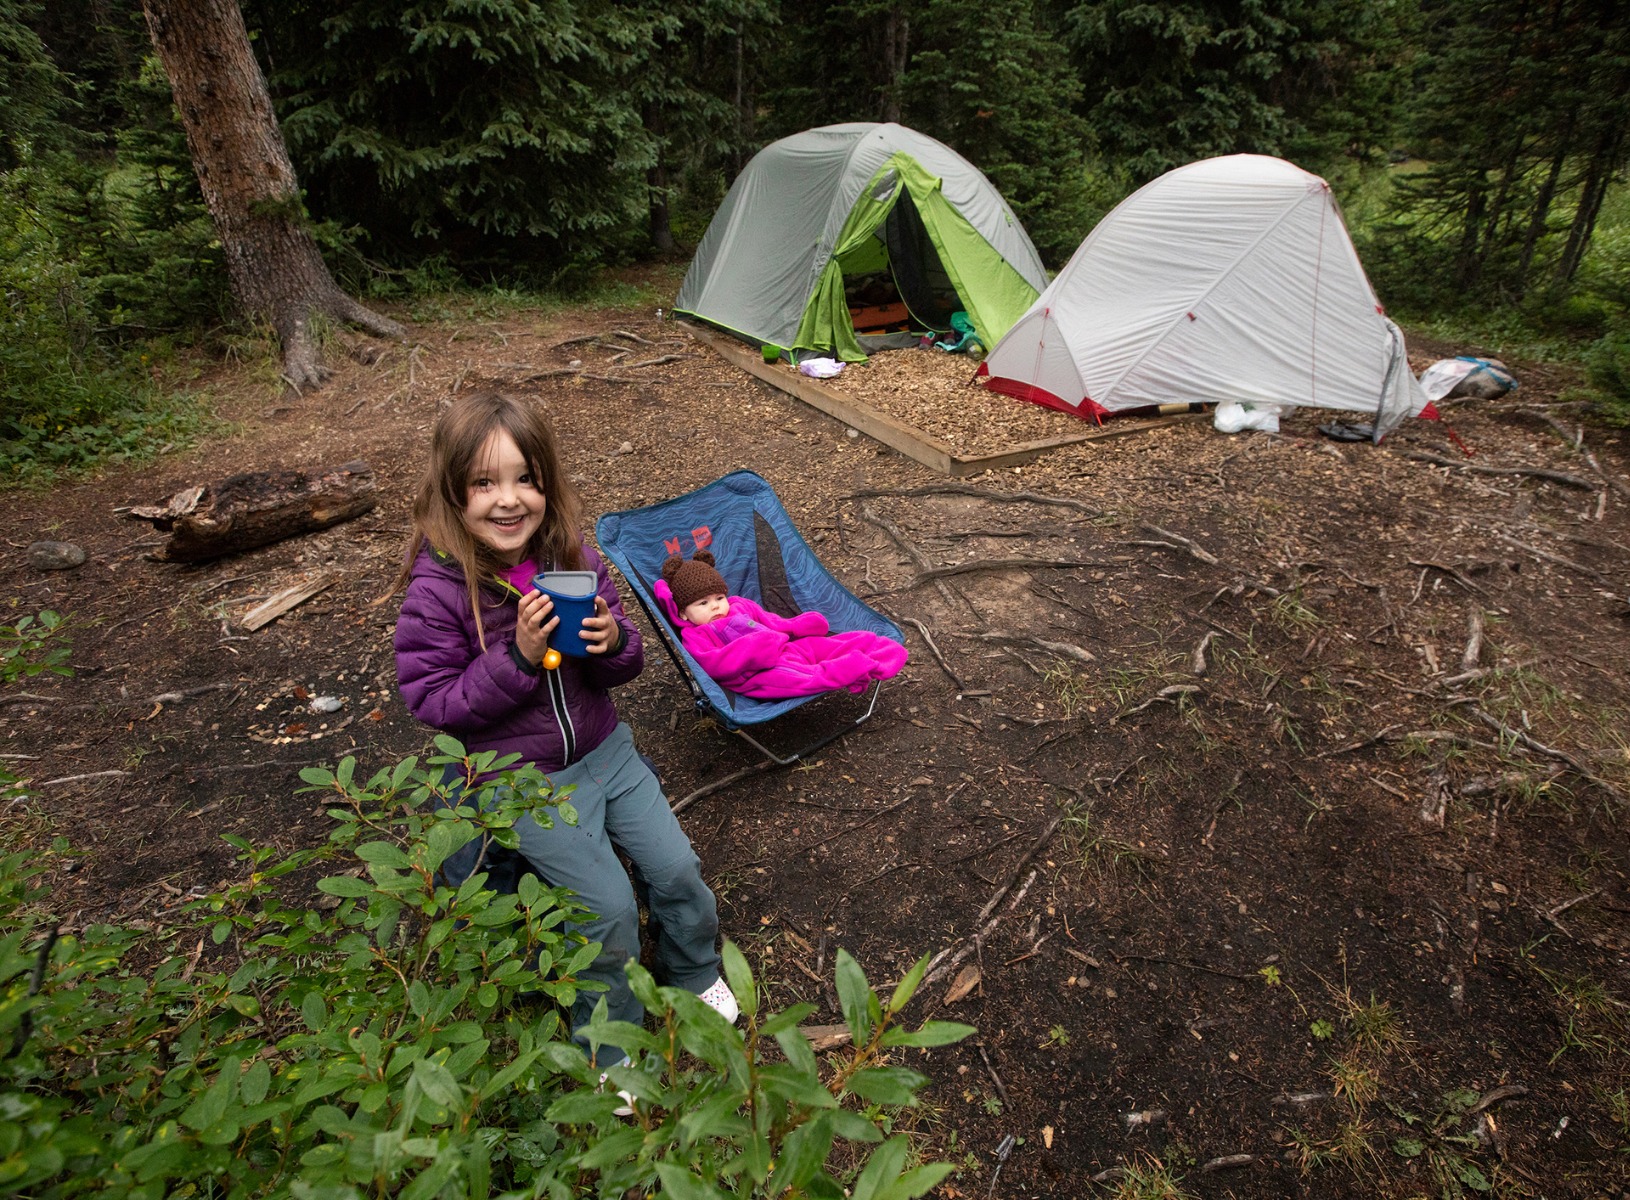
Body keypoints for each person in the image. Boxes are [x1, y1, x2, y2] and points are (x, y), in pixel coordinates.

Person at [390, 391, 736, 1076]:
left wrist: (613, 644)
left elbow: (625, 661)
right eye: (484, 482)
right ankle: (611, 1049)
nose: (508, 499)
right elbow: (433, 703)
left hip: (608, 751)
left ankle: (694, 973)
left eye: (525, 477)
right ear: (452, 490)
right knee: (606, 911)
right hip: (525, 782)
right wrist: (516, 658)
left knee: (677, 869)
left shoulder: (568, 557)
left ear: (547, 481)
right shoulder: (440, 590)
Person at [657, 550, 907, 698]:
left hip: (784, 650)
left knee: (821, 645)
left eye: (719, 598)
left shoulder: (740, 606)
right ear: (684, 613)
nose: (715, 606)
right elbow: (715, 665)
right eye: (703, 603)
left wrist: (798, 626)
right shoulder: (696, 635)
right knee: (804, 676)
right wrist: (754, 647)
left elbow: (773, 623)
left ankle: (876, 648)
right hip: (756, 676)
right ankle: (854, 668)